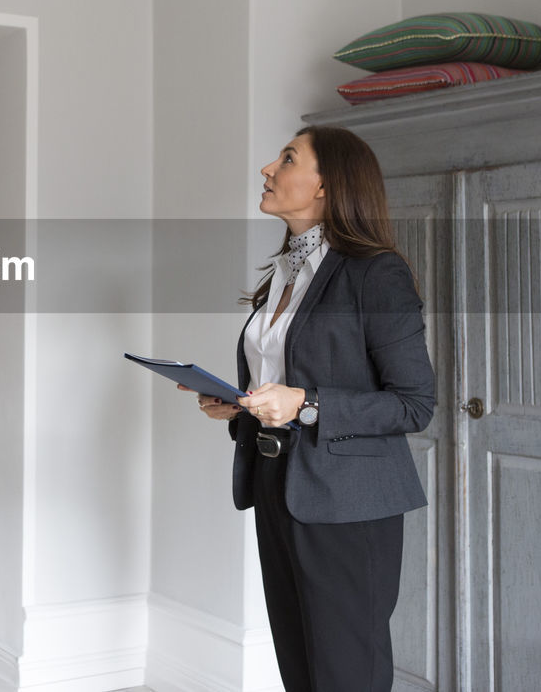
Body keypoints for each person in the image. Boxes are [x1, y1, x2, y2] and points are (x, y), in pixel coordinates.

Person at [186, 125, 435, 691]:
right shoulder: (283, 272)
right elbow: (285, 376)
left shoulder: (376, 273)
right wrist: (242, 405)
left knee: (347, 674)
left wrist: (307, 403)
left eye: (288, 158)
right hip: (278, 482)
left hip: (349, 502)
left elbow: (415, 404)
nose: (267, 169)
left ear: (326, 185)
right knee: (300, 668)